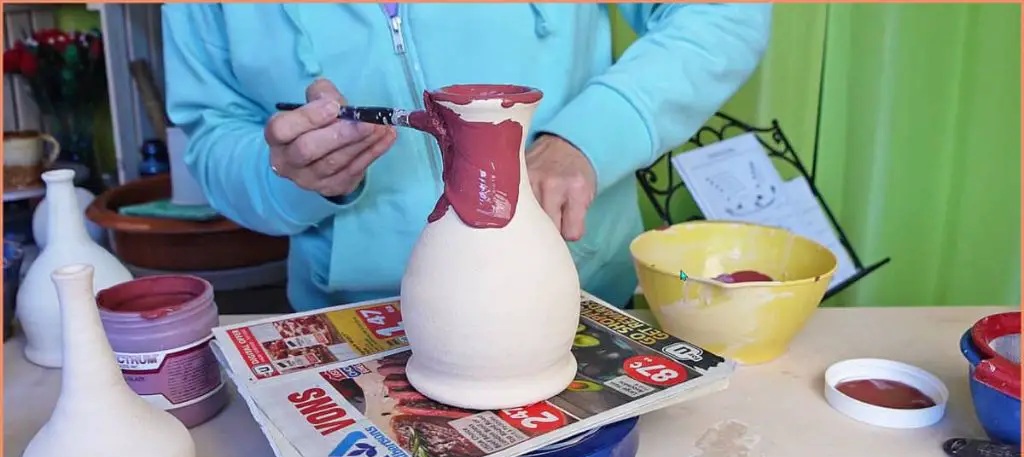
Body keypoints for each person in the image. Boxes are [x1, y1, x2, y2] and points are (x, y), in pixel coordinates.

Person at [162, 3, 772, 312]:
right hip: (353, 323)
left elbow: (723, 14)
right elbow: (213, 132)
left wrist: (589, 138)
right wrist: (292, 177)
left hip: (580, 299)